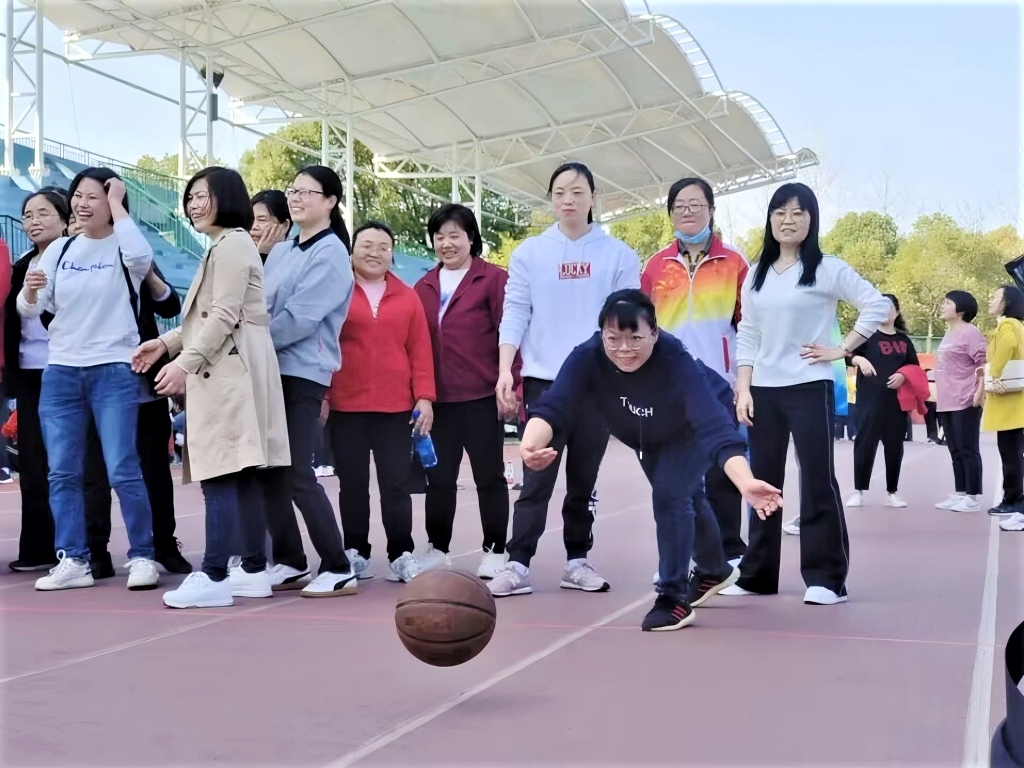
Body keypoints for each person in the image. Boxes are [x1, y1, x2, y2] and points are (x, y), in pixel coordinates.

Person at [515, 290, 781, 629]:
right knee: (685, 495)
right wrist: (529, 446)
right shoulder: (586, 358)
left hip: (692, 427)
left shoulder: (676, 360)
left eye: (635, 338)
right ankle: (714, 569)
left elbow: (714, 429)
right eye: (613, 338)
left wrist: (745, 483)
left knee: (670, 495)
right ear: (601, 334)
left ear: (654, 333)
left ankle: (673, 598)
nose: (624, 349)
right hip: (647, 433)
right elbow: (554, 406)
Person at [133, 166, 290, 608]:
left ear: (227, 197)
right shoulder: (228, 245)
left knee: (221, 472)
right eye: (190, 198)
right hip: (236, 365)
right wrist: (165, 343)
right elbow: (209, 315)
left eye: (202, 196)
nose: (193, 205)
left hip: (230, 368)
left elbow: (223, 315)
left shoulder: (232, 245)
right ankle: (253, 569)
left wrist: (183, 363)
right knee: (241, 472)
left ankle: (216, 573)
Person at [727, 182, 889, 605]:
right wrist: (743, 387)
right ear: (770, 218)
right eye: (780, 212)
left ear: (811, 219)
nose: (788, 220)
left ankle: (827, 579)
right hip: (763, 390)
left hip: (809, 386)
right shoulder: (757, 273)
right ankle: (757, 575)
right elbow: (748, 333)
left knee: (817, 478)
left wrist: (843, 347)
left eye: (798, 212)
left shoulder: (828, 269)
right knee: (763, 481)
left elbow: (875, 304)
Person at [490, 161, 641, 597]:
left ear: (593, 197)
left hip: (599, 384)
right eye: (559, 192)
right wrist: (505, 369)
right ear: (551, 199)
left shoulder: (618, 256)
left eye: (577, 191)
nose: (568, 200)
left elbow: (627, 321)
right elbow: (515, 312)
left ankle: (577, 561)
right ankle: (517, 563)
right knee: (535, 478)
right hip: (545, 385)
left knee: (583, 480)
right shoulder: (530, 254)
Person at [18, 168, 159, 592]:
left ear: (113, 202)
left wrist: (117, 203)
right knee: (61, 472)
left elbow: (142, 258)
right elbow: (31, 308)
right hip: (61, 370)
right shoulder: (61, 249)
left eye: (93, 196)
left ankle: (143, 555)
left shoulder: (124, 245)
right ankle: (73, 559)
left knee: (122, 468)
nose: (82, 203)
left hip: (113, 367)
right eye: (77, 195)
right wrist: (30, 291)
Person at [260, 165, 357, 598]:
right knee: (270, 471)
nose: (296, 198)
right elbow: (260, 303)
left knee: (298, 472)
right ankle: (290, 560)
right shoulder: (282, 250)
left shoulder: (332, 252)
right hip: (270, 369)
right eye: (292, 190)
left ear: (331, 201)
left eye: (307, 192)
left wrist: (254, 345)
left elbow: (300, 317)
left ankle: (337, 565)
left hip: (302, 373)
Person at [641, 176, 749, 565]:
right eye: (679, 206)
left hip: (718, 382)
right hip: (667, 384)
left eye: (696, 204)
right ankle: (681, 557)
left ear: (711, 210)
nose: (687, 212)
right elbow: (643, 326)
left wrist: (742, 379)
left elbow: (747, 326)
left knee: (722, 467)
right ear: (670, 214)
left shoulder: (735, 262)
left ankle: (730, 553)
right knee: (675, 476)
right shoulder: (655, 266)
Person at [326, 221, 435, 583]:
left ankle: (401, 553)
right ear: (352, 251)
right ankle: (355, 551)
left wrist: (425, 397)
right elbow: (322, 343)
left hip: (395, 408)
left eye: (383, 247)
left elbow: (420, 350)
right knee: (352, 484)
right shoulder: (336, 291)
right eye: (367, 245)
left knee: (396, 484)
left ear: (392, 253)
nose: (375, 253)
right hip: (346, 405)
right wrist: (323, 395)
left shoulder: (407, 296)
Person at [414, 203, 514, 579]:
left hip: (481, 397)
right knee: (439, 480)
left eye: (454, 235)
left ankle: (495, 549)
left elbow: (509, 332)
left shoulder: (493, 279)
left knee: (489, 477)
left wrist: (511, 383)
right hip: (437, 401)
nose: (447, 243)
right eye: (439, 236)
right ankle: (438, 549)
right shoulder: (424, 285)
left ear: (471, 238)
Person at [84, 259, 188, 578]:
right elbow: (50, 317)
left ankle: (164, 544)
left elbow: (170, 306)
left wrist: (148, 272)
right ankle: (96, 550)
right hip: (93, 380)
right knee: (94, 471)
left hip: (141, 378)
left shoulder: (134, 254)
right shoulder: (72, 259)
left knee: (155, 469)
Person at [5, 188, 68, 572]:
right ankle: (38, 548)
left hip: (68, 368)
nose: (33, 221)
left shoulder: (76, 259)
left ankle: (80, 547)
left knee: (69, 462)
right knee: (31, 463)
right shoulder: (20, 266)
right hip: (29, 373)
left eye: (43, 213)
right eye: (28, 215)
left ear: (64, 218)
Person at [844, 294, 918, 509]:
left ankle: (892, 492)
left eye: (889, 307)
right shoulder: (865, 335)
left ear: (897, 312)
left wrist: (903, 375)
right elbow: (845, 354)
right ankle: (858, 491)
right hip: (869, 400)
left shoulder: (904, 341)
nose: (885, 312)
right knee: (865, 444)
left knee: (894, 446)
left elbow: (914, 366)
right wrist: (859, 359)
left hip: (896, 403)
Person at [934, 290, 987, 512]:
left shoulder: (970, 333)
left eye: (948, 303)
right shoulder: (949, 333)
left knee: (968, 448)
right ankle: (961, 493)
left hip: (965, 399)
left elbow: (983, 364)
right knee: (954, 449)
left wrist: (979, 392)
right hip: (946, 400)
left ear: (961, 309)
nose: (943, 306)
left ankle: (972, 498)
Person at [976, 286, 1024, 524]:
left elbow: (1007, 346)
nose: (990, 299)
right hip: (1016, 402)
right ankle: (1013, 498)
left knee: (1010, 455)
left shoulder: (1007, 326)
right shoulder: (1019, 326)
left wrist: (993, 374)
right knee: (1013, 454)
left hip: (1009, 404)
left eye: (995, 296)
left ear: (1007, 302)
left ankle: (1013, 499)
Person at [250, 190, 291, 263]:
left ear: (285, 225)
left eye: (262, 220)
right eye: (250, 219)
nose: (253, 226)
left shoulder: (294, 258)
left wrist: (263, 254)